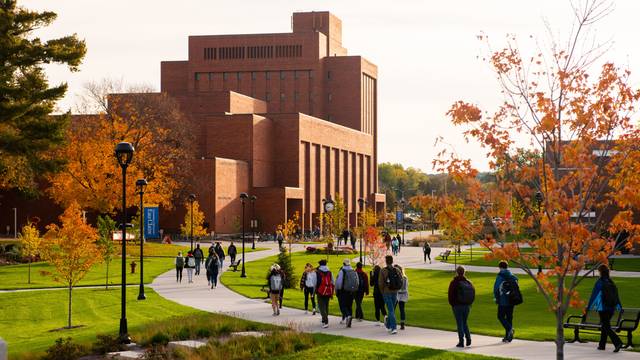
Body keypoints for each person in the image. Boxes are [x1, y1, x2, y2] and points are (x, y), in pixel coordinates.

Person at [587, 264, 623, 352]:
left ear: (600, 272)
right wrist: (619, 306)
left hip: (603, 308)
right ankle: (602, 345)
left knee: (606, 326)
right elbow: (616, 296)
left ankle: (618, 342)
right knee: (605, 326)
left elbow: (594, 295)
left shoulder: (600, 282)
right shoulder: (611, 282)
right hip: (612, 308)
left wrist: (589, 306)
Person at [448, 266, 474, 347]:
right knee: (464, 322)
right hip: (467, 305)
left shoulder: (454, 282)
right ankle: (468, 338)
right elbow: (473, 294)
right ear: (464, 272)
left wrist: (452, 304)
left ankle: (461, 341)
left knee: (459, 323)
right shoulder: (469, 282)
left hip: (457, 305)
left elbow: (450, 295)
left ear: (457, 272)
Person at [493, 261, 518, 342]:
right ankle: (508, 337)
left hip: (503, 300)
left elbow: (496, 289)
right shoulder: (512, 276)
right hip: (512, 300)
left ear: (500, 267)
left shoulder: (500, 276)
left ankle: (510, 329)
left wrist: (496, 298)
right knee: (509, 318)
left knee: (500, 316)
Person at [379, 255, 401, 334]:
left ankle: (394, 328)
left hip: (387, 292)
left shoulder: (383, 271)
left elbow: (380, 283)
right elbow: (400, 281)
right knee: (392, 310)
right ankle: (388, 325)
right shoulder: (397, 270)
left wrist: (382, 292)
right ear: (392, 261)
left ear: (386, 261)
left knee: (391, 310)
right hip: (395, 292)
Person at [336, 258, 358, 327]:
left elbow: (339, 282)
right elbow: (357, 281)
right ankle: (349, 322)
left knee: (343, 305)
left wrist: (337, 290)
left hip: (343, 291)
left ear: (343, 263)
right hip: (352, 291)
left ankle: (348, 316)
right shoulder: (353, 270)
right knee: (349, 305)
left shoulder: (342, 271)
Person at [314, 259, 334, 328]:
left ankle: (326, 321)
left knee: (321, 307)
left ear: (320, 264)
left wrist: (314, 291)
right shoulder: (329, 272)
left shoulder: (317, 272)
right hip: (328, 291)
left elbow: (314, 282)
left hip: (320, 291)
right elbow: (333, 282)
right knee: (326, 306)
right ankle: (324, 320)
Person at [395, 265, 409, 330]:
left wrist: (398, 290)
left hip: (402, 295)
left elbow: (405, 288)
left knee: (401, 309)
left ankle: (402, 324)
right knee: (393, 309)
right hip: (397, 294)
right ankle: (392, 322)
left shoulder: (404, 278)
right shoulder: (396, 277)